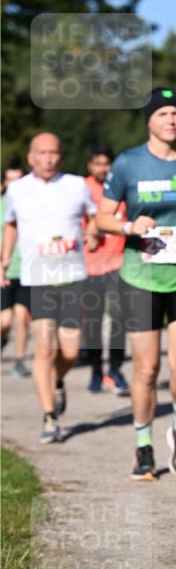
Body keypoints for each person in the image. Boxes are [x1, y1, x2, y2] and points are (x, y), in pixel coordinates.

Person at [96, 88, 176, 481]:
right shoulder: (129, 163)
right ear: (149, 120)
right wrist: (129, 225)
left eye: (175, 113)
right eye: (163, 113)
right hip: (141, 276)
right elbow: (102, 217)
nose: (171, 120)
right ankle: (143, 444)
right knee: (147, 370)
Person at [1, 134, 98, 442]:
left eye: (53, 153)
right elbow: (11, 225)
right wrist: (4, 259)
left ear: (60, 156)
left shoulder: (76, 185)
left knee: (69, 350)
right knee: (43, 348)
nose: (47, 158)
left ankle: (56, 381)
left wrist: (93, 234)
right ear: (31, 157)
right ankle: (49, 417)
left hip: (71, 274)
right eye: (41, 153)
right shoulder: (17, 189)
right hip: (37, 277)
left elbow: (93, 217)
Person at [82, 145, 129, 395]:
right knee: (92, 322)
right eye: (97, 163)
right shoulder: (82, 188)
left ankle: (115, 370)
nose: (102, 168)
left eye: (106, 163)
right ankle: (95, 372)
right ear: (90, 166)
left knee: (120, 320)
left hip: (119, 263)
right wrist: (86, 233)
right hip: (90, 265)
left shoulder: (120, 189)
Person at [1, 156, 31, 377]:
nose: (13, 185)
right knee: (4, 321)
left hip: (28, 269)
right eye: (9, 180)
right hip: (4, 270)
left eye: (17, 180)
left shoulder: (31, 203)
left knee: (22, 318)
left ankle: (20, 359)